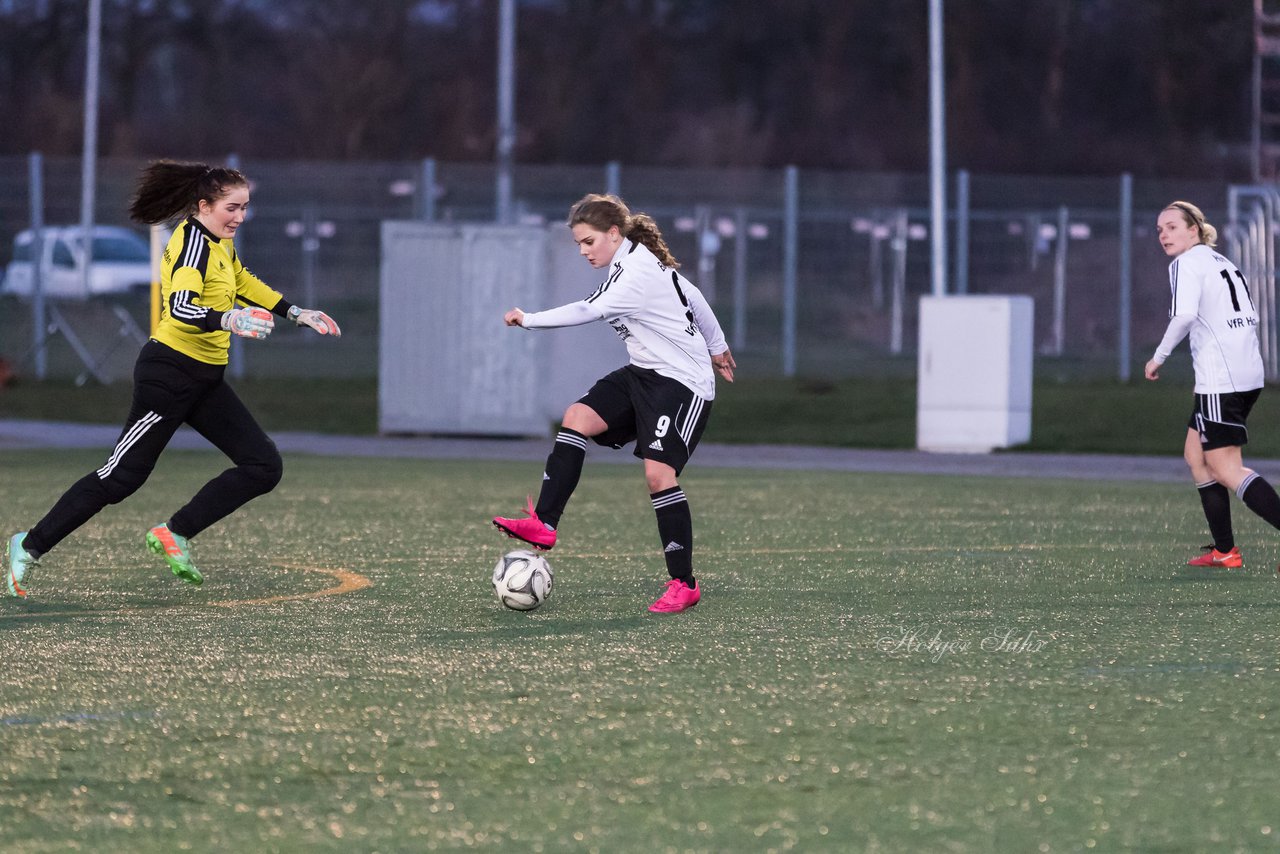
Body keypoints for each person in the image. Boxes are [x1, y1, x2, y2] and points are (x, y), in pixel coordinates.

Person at [5, 160, 341, 598]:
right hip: (170, 374)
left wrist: (295, 312)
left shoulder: (219, 242)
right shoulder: (192, 247)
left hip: (203, 379)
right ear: (204, 206)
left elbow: (242, 280)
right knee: (120, 478)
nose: (239, 217)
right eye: (232, 208)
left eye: (244, 207)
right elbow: (180, 305)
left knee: (263, 465)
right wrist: (230, 319)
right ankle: (28, 547)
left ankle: (174, 533)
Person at [493, 193, 736, 613]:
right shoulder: (631, 262)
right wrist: (718, 345)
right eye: (578, 244)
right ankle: (544, 524)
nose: (584, 251)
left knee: (659, 477)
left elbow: (587, 310)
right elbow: (690, 292)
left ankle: (684, 583)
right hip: (643, 373)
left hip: (681, 384)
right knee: (577, 418)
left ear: (613, 233)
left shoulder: (636, 274)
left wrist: (528, 319)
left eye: (588, 242)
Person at [1144, 200, 1280, 569]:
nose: (1164, 235)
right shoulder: (1222, 263)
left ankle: (1232, 548)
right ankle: (1225, 551)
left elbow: (1186, 316)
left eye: (1172, 226)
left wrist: (1159, 356)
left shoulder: (1186, 264)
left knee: (1225, 468)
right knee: (1195, 456)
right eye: (1159, 229)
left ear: (1194, 229)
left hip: (1224, 379)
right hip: (1240, 374)